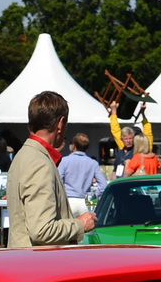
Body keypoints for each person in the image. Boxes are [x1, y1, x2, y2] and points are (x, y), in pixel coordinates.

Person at [8, 91, 97, 248]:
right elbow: (42, 230)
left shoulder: (24, 155)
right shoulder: (39, 162)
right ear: (61, 123)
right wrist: (80, 224)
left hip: (25, 261)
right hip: (39, 265)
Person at [59, 133, 105, 215]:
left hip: (69, 200)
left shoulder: (64, 161)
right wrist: (93, 196)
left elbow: (58, 181)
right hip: (86, 201)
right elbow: (103, 185)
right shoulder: (93, 163)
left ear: (73, 146)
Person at [107, 99, 151, 173]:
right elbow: (115, 130)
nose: (128, 141)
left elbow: (148, 133)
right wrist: (114, 111)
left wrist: (143, 114)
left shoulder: (143, 148)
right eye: (126, 139)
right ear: (123, 139)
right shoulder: (123, 144)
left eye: (131, 138)